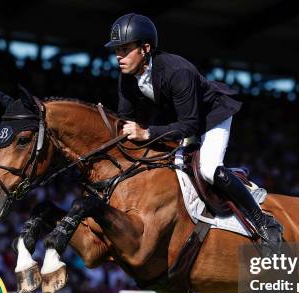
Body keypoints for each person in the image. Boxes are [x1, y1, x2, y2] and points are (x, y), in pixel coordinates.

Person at [104, 13, 282, 245]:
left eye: (125, 49)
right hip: (179, 120)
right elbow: (125, 120)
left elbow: (190, 125)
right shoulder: (127, 76)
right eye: (117, 50)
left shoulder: (178, 71)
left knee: (208, 169)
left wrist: (146, 133)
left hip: (211, 116)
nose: (119, 56)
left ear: (145, 48)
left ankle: (263, 222)